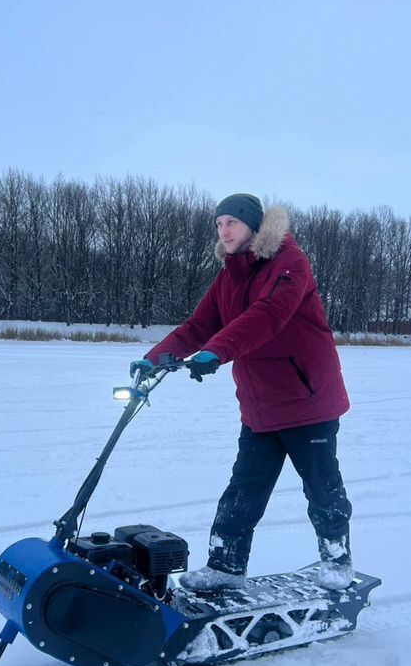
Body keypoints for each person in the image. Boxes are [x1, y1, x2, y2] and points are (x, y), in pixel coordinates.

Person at [130, 193, 353, 591]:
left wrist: (217, 351)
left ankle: (337, 562)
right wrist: (154, 359)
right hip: (261, 408)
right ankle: (225, 567)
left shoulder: (290, 264)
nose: (223, 230)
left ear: (253, 225)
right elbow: (197, 326)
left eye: (231, 222)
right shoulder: (229, 276)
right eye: (218, 224)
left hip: (308, 403)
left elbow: (266, 317)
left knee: (323, 488)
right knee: (242, 492)